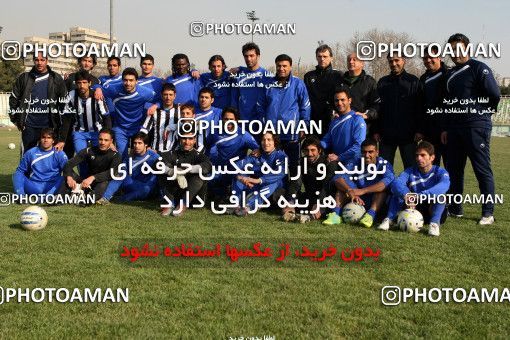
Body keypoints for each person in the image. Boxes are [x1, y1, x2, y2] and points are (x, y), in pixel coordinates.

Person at [441, 33, 500, 225]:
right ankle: (456, 209)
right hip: (455, 129)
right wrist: (447, 128)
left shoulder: (479, 68)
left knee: (481, 170)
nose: (455, 53)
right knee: (454, 170)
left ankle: (488, 213)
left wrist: (481, 116)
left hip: (476, 127)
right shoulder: (450, 74)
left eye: (458, 49)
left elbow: (494, 94)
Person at [377, 141, 450, 236]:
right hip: (412, 207)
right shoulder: (410, 171)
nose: (419, 158)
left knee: (441, 196)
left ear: (432, 157)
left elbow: (444, 185)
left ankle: (434, 224)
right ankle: (389, 220)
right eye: (417, 155)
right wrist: (407, 195)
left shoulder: (439, 171)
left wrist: (418, 196)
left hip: (430, 209)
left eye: (423, 155)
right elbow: (396, 183)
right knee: (398, 193)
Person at [256, 54, 310, 178]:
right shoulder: (267, 84)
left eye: (285, 66)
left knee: (293, 165)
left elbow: (305, 107)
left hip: (291, 133)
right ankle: (278, 193)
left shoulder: (298, 84)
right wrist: (264, 126)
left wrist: (304, 126)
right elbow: (260, 107)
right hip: (272, 134)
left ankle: (293, 195)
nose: (281, 68)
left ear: (290, 67)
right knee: (275, 166)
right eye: (279, 66)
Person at [323, 138, 394, 227]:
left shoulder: (384, 164)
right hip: (356, 197)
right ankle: (335, 215)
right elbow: (338, 178)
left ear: (377, 152)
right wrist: (349, 190)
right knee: (342, 189)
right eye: (364, 152)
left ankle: (370, 216)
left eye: (370, 152)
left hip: (374, 200)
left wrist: (363, 191)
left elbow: (388, 181)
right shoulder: (355, 162)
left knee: (382, 191)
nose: (367, 155)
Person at [9, 52, 67, 154]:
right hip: (29, 126)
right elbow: (14, 98)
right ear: (34, 61)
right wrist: (16, 119)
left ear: (47, 61)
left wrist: (60, 124)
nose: (39, 63)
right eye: (36, 60)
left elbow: (64, 103)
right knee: (27, 157)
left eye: (42, 60)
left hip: (49, 126)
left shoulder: (56, 78)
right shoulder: (24, 77)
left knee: (48, 157)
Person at [375, 54, 424, 169]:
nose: (394, 64)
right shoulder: (382, 83)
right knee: (383, 171)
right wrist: (376, 130)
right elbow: (378, 108)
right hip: (386, 136)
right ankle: (386, 188)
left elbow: (420, 108)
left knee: (412, 170)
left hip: (409, 135)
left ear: (404, 61)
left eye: (397, 60)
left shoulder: (413, 81)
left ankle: (410, 188)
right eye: (391, 61)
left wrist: (420, 130)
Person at [101, 68, 156, 159]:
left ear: (136, 81)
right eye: (125, 80)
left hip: (137, 128)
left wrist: (156, 106)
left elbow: (160, 99)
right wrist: (98, 88)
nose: (128, 83)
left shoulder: (144, 92)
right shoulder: (114, 89)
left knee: (139, 155)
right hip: (120, 128)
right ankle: (124, 172)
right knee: (122, 155)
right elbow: (97, 87)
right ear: (122, 80)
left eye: (131, 80)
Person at [206, 107, 259, 201]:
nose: (228, 122)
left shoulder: (244, 135)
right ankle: (222, 193)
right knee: (207, 178)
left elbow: (257, 150)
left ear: (237, 120)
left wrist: (254, 154)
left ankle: (237, 200)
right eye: (226, 119)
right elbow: (207, 148)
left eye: (231, 119)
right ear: (222, 119)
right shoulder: (215, 133)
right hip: (220, 169)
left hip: (238, 170)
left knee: (241, 179)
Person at [230, 132, 287, 217]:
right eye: (263, 140)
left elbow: (280, 173)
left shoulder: (281, 156)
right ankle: (236, 204)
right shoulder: (257, 154)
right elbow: (236, 166)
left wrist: (257, 180)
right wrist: (241, 178)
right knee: (240, 174)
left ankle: (248, 207)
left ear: (275, 141)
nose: (266, 143)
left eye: (269, 140)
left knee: (274, 182)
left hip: (275, 190)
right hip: (256, 187)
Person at [282, 136, 335, 223]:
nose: (309, 154)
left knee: (324, 206)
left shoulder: (328, 163)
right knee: (284, 199)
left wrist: (319, 203)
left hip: (325, 197)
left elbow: (326, 187)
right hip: (309, 197)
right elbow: (296, 181)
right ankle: (292, 213)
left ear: (319, 150)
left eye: (313, 150)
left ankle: (308, 218)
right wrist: (291, 201)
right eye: (306, 150)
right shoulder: (302, 162)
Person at [158, 131, 212, 217]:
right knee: (162, 171)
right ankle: (169, 204)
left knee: (201, 173)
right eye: (184, 138)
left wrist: (187, 170)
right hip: (175, 193)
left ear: (195, 140)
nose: (187, 142)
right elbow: (158, 163)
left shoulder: (200, 156)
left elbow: (208, 166)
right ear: (180, 139)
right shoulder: (172, 153)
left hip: (195, 200)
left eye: (190, 139)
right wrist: (172, 172)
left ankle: (183, 205)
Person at [97, 132, 159, 204]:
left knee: (145, 190)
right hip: (131, 184)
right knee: (121, 174)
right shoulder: (130, 157)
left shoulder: (154, 156)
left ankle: (120, 198)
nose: (136, 146)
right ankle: (105, 197)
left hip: (147, 187)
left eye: (140, 143)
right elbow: (121, 172)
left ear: (146, 144)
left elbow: (158, 176)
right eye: (135, 143)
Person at [60, 128, 122, 201]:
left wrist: (93, 177)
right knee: (69, 174)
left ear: (111, 141)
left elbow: (111, 173)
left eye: (106, 140)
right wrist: (69, 177)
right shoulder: (89, 151)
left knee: (104, 182)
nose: (102, 142)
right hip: (86, 182)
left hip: (101, 182)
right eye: (100, 139)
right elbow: (68, 164)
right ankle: (60, 198)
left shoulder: (116, 155)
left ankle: (86, 200)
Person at [13, 128, 68, 196]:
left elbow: (67, 170)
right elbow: (20, 171)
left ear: (53, 140)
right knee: (17, 174)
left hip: (52, 186)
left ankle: (49, 196)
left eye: (49, 138)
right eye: (43, 137)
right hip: (34, 187)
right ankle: (21, 196)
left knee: (65, 177)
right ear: (40, 139)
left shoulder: (59, 153)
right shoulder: (31, 152)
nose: (45, 140)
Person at [304, 44, 343, 136]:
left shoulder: (338, 75)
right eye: (319, 56)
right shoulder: (309, 76)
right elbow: (304, 100)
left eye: (325, 56)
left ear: (331, 58)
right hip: (313, 121)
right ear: (316, 57)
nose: (322, 59)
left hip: (332, 120)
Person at [321, 88, 366, 165]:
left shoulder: (357, 119)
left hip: (352, 163)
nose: (339, 103)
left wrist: (339, 157)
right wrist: (315, 146)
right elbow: (327, 140)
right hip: (336, 162)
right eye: (336, 100)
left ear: (349, 100)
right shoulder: (334, 120)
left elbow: (359, 145)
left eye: (342, 100)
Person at [420, 45, 448, 166]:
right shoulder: (423, 78)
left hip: (447, 130)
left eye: (431, 57)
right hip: (429, 132)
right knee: (430, 166)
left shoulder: (449, 74)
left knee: (450, 166)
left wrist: (446, 128)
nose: (428, 60)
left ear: (439, 57)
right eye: (425, 58)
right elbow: (420, 106)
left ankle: (450, 186)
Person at [340, 52, 380, 136]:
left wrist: (367, 114)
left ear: (362, 63)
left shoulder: (369, 82)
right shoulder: (340, 81)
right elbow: (332, 102)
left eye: (354, 60)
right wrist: (333, 113)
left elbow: (376, 105)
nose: (351, 62)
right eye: (349, 60)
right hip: (342, 128)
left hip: (363, 129)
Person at [230, 42, 269, 121]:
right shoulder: (238, 76)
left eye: (251, 56)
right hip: (243, 121)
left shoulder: (267, 76)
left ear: (258, 56)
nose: (248, 59)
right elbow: (234, 100)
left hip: (261, 122)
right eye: (246, 56)